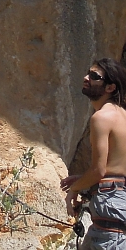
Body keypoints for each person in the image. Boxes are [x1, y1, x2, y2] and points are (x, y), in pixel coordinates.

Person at [61, 59, 126, 246]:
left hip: (110, 210)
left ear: (110, 87)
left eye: (94, 76)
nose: (86, 77)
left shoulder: (102, 118)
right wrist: (84, 179)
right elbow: (116, 168)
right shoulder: (122, 115)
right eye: (88, 73)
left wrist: (74, 190)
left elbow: (99, 171)